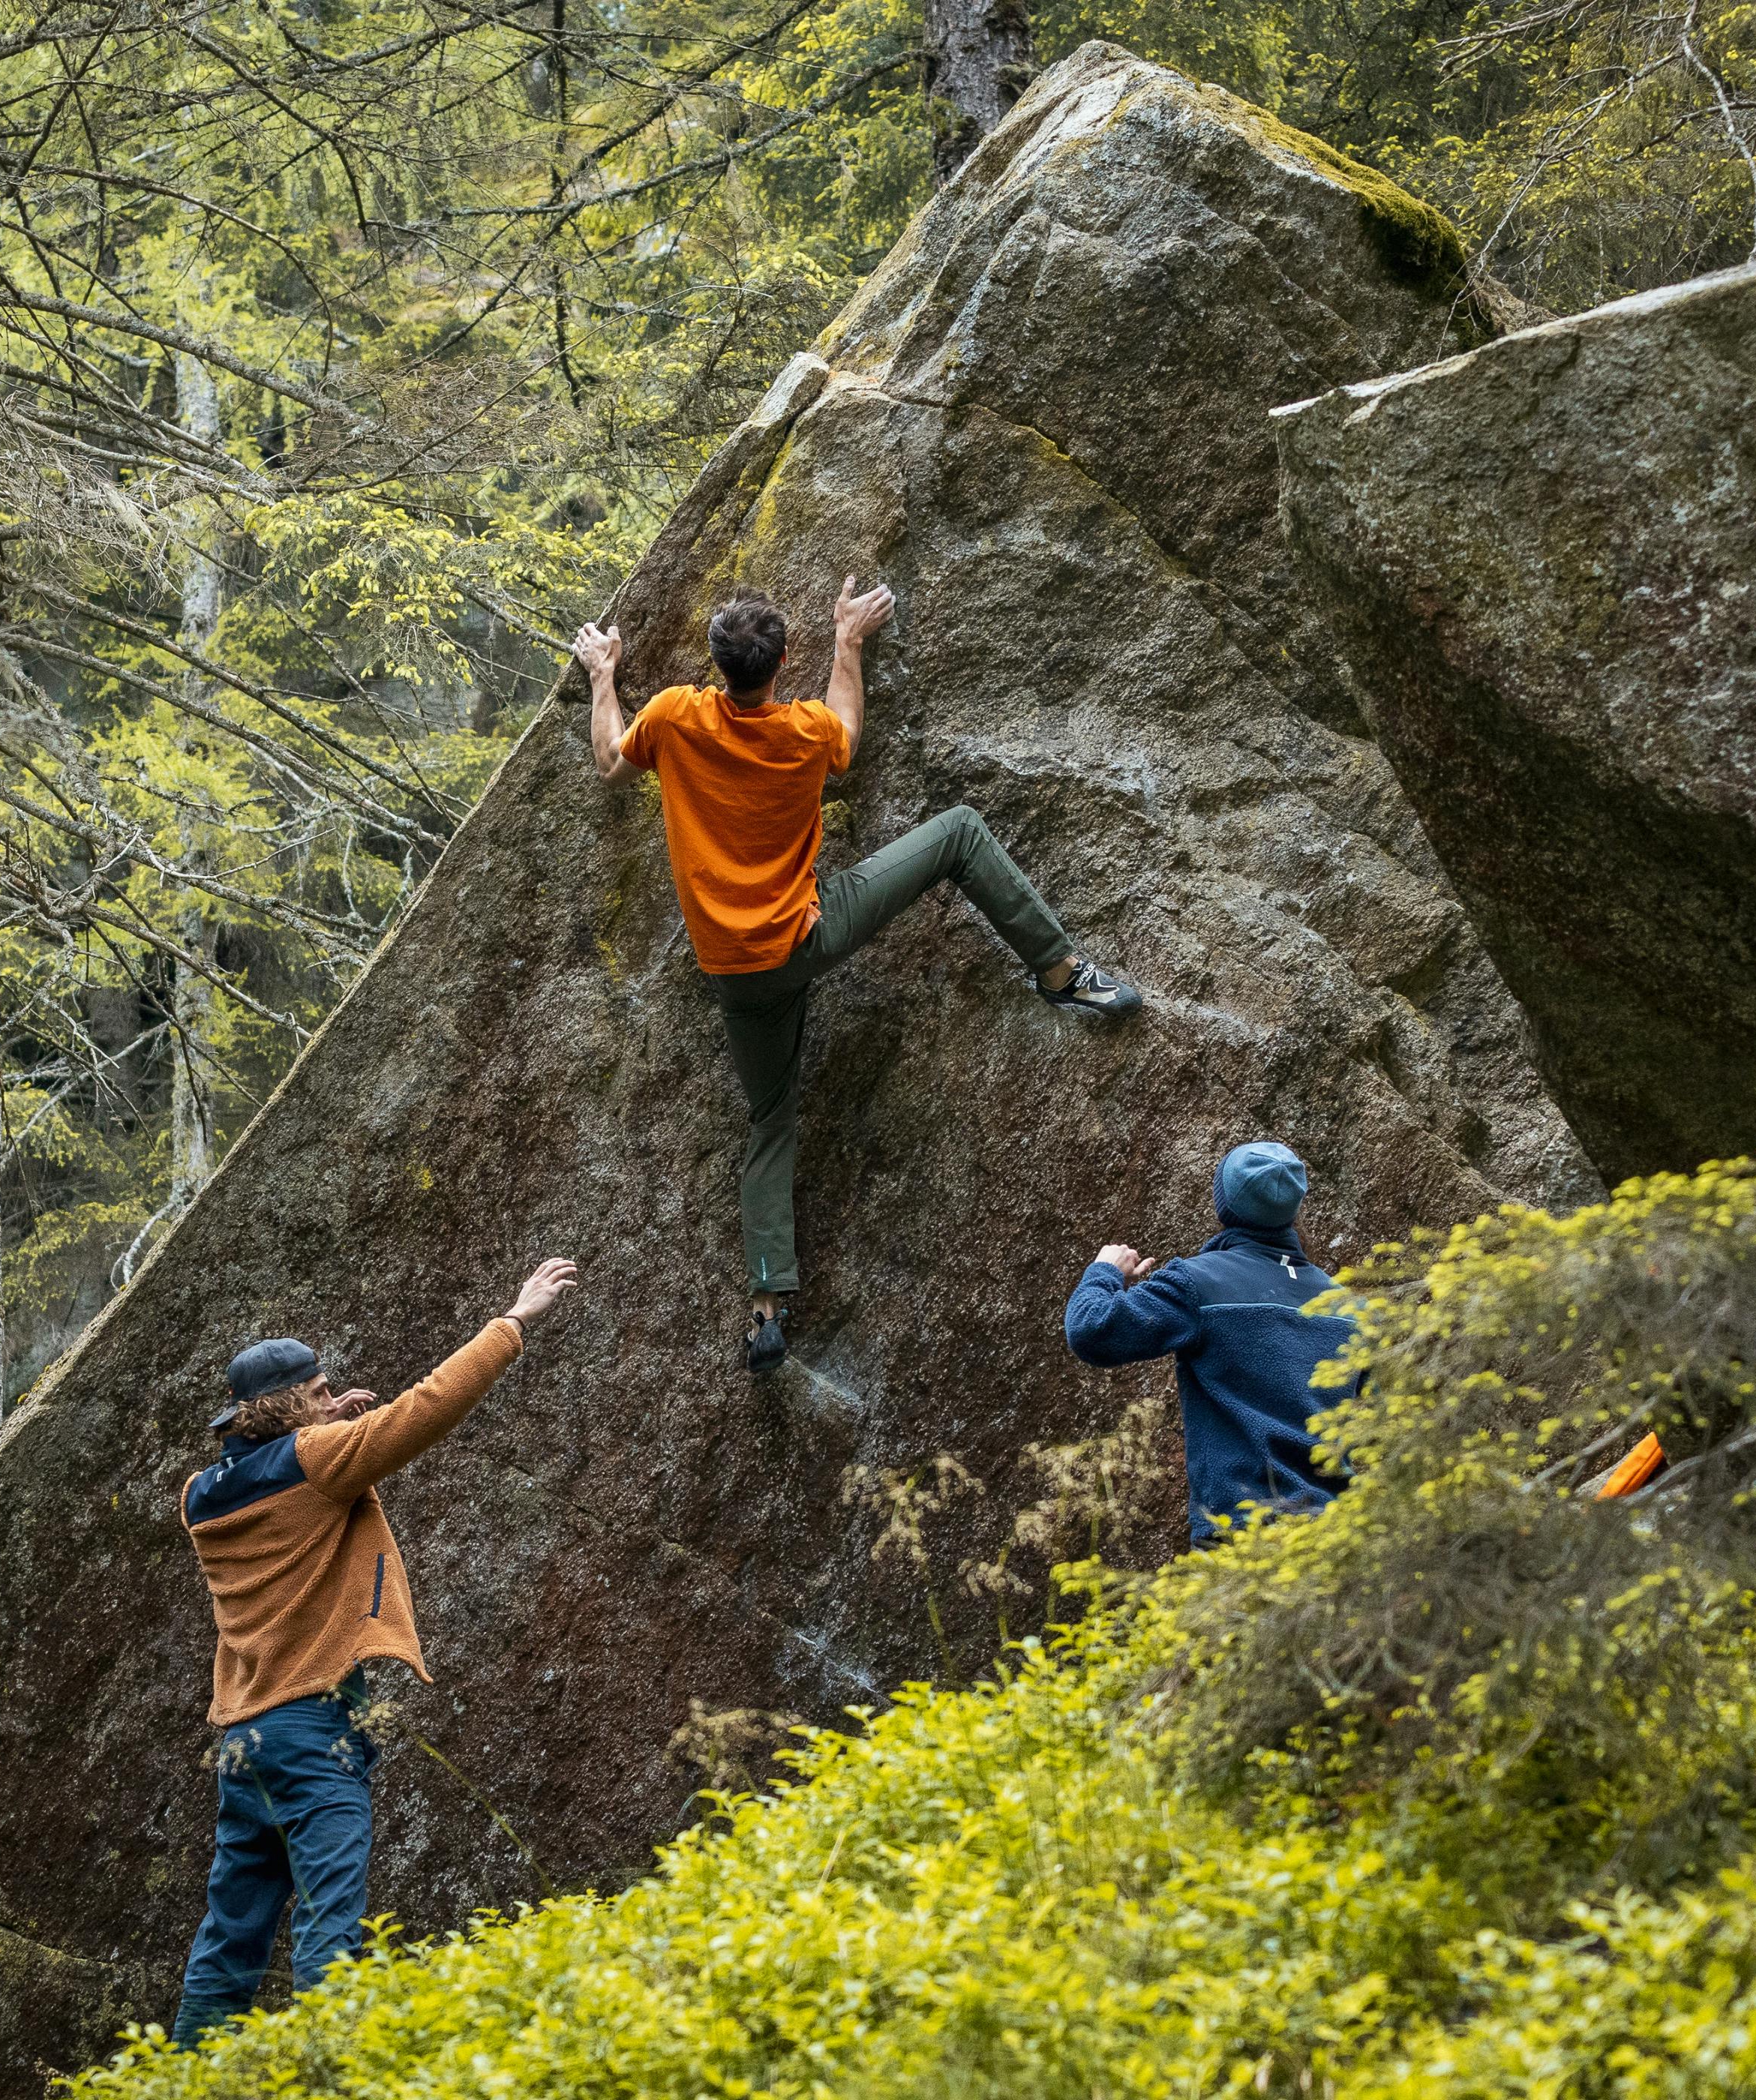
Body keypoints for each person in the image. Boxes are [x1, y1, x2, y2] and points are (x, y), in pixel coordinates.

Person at [576, 578, 1142, 1374]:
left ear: (717, 665)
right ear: (778, 669)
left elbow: (609, 759)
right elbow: (846, 728)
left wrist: (602, 672)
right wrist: (848, 639)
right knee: (959, 833)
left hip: (732, 973)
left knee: (770, 1118)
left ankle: (767, 1304)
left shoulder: (673, 716)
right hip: (809, 936)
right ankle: (1058, 969)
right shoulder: (803, 732)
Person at [168, 1256, 579, 2048]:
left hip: (243, 1742)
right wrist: (515, 1318)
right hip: (313, 1730)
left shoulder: (200, 1495)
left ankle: (180, 2077)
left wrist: (322, 1428)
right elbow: (425, 1408)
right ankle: (333, 2069)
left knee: (230, 1939)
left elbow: (289, 1466)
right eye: (321, 1392)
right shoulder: (318, 1462)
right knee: (332, 1923)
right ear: (290, 1406)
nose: (335, 1397)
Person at [1062, 1141, 1352, 1547]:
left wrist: (1103, 1272)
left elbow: (1091, 1330)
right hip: (1340, 1546)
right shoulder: (1349, 1309)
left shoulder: (1197, 1284)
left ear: (1224, 1207)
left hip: (1241, 1539)